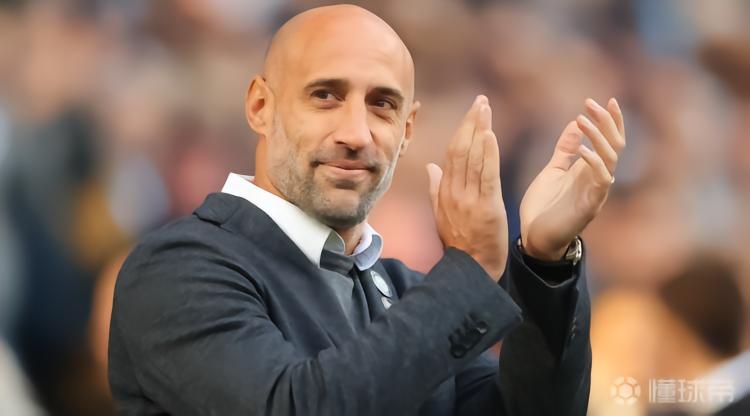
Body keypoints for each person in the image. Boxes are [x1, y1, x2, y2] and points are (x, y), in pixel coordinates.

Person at [108, 4, 625, 415]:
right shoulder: (177, 268)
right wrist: (467, 270)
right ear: (261, 107)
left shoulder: (408, 294)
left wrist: (543, 262)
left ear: (407, 130)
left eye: (382, 104)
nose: (356, 134)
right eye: (325, 95)